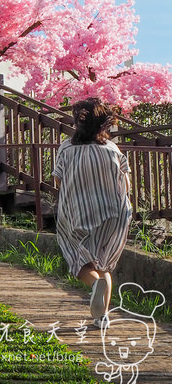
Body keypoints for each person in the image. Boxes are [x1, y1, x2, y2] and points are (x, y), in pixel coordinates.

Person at [53, 97, 133, 326]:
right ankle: (102, 317)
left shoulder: (66, 148)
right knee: (104, 265)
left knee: (79, 262)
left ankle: (94, 285)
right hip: (115, 214)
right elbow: (126, 183)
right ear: (103, 125)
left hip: (79, 214)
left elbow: (58, 180)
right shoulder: (112, 149)